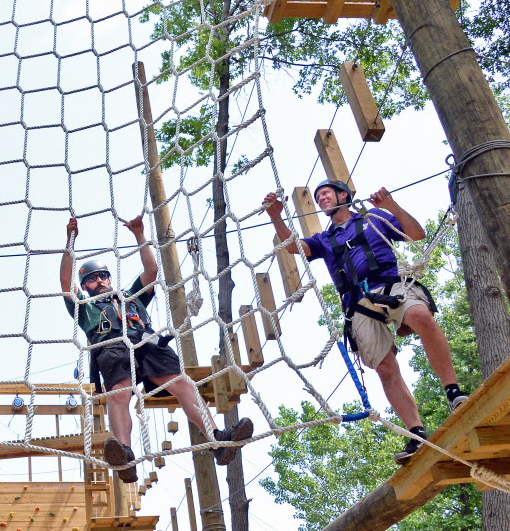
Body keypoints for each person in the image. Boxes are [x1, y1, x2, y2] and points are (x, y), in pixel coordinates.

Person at [263, 181, 468, 464]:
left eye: (326, 193)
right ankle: (417, 433)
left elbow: (416, 234)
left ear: (343, 196)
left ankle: (454, 391)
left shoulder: (374, 219)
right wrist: (276, 216)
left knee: (421, 315)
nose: (322, 198)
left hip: (389, 286)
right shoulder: (324, 239)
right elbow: (293, 247)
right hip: (356, 302)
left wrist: (390, 205)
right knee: (384, 367)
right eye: (319, 196)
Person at [60, 215, 253, 482]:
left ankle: (216, 441)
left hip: (146, 342)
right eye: (92, 279)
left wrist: (140, 235)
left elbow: (151, 272)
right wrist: (70, 241)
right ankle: (125, 455)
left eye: (103, 276)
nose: (100, 281)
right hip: (111, 346)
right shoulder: (85, 307)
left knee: (183, 384)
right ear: (85, 287)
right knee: (120, 393)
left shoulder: (130, 297)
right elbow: (65, 283)